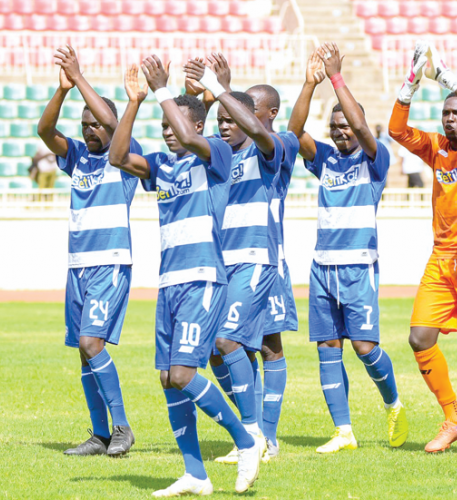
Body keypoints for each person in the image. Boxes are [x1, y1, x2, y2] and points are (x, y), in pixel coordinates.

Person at [108, 57, 261, 495]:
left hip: (203, 279)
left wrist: (162, 91)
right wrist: (136, 101)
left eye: (173, 124)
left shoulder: (216, 154)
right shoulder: (161, 165)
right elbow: (118, 156)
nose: (167, 130)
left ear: (196, 123)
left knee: (181, 374)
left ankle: (247, 440)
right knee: (166, 378)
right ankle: (196, 474)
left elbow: (193, 135)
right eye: (163, 125)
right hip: (170, 282)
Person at [287, 43, 408, 453]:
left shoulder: (375, 159)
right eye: (335, 127)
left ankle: (392, 403)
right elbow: (293, 133)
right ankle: (344, 432)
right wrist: (309, 85)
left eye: (347, 127)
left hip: (359, 267)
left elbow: (360, 126)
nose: (342, 131)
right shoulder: (323, 159)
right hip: (322, 267)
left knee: (364, 348)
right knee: (328, 347)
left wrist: (337, 79)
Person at [388, 41, 457, 453]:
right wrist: (413, 83)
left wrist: (446, 75)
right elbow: (396, 131)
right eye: (446, 113)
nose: (450, 119)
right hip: (441, 257)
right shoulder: (436, 148)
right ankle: (455, 418)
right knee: (419, 337)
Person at [36, 46, 134, 457]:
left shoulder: (124, 155)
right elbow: (45, 132)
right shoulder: (76, 158)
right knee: (83, 350)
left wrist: (79, 78)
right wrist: (61, 92)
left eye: (96, 125)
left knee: (93, 343)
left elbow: (113, 120)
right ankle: (99, 435)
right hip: (77, 267)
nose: (92, 130)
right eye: (86, 125)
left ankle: (122, 428)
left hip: (110, 263)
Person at [185, 54, 281, 466]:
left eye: (231, 118)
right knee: (214, 350)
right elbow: (192, 133)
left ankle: (256, 433)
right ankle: (254, 430)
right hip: (220, 263)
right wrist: (202, 100)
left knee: (230, 341)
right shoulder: (218, 158)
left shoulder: (266, 150)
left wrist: (221, 88)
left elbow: (257, 127)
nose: (225, 125)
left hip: (256, 259)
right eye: (220, 120)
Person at [247, 82, 300, 459]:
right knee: (224, 349)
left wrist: (311, 84)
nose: (244, 113)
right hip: (230, 264)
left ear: (271, 114)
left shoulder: (277, 148)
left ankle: (269, 435)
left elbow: (295, 130)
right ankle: (249, 432)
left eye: (252, 107)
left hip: (268, 263)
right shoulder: (232, 152)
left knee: (269, 346)